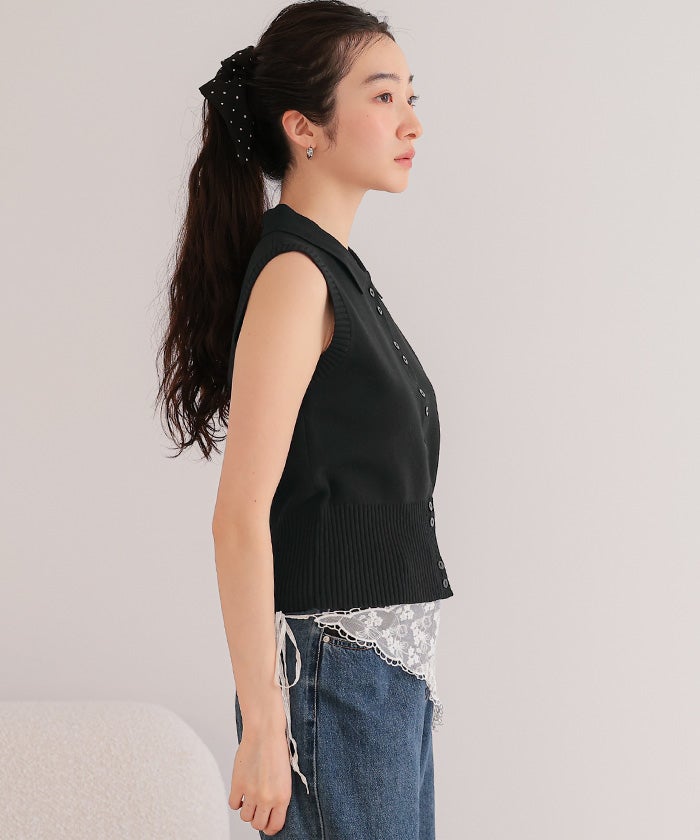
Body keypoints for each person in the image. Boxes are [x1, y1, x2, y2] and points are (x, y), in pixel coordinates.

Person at [156, 2, 454, 837]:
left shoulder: (336, 271)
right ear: (304, 127)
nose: (411, 122)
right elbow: (239, 516)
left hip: (381, 678)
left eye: (410, 96)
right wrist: (263, 725)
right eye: (384, 96)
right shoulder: (297, 276)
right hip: (335, 677)